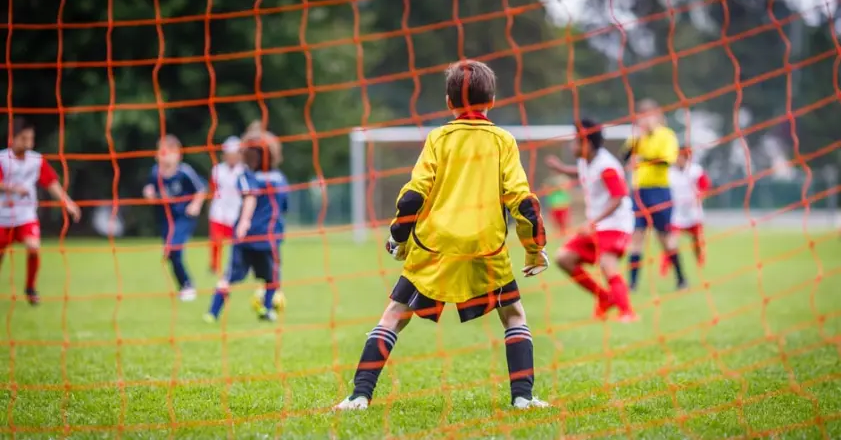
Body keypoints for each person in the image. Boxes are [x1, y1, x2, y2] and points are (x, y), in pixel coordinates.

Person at [334, 60, 550, 411]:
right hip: (485, 247)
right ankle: (523, 397)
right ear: (492, 100)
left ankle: (359, 395)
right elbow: (522, 202)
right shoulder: (503, 141)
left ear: (449, 103)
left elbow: (412, 196)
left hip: (434, 245)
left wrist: (399, 240)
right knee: (514, 316)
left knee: (393, 315)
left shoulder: (438, 138)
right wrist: (534, 249)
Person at [546, 119, 636, 322]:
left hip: (616, 225)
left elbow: (619, 195)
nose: (572, 145)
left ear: (586, 144)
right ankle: (605, 298)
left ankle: (627, 312)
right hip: (597, 225)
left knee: (607, 263)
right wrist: (561, 169)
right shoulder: (586, 161)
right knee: (563, 258)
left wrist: (593, 221)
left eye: (575, 141)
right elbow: (583, 173)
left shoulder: (607, 166)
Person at [205, 131, 288, 322]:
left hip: (246, 236)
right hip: (269, 237)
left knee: (230, 276)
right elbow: (281, 207)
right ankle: (267, 309)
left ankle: (212, 312)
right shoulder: (280, 179)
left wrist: (244, 221)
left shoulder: (246, 176)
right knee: (272, 277)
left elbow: (249, 196)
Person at [0, 118, 81, 305]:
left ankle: (30, 288)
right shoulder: (2, 159)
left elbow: (51, 182)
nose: (28, 143)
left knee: (34, 247)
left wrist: (67, 202)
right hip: (2, 217)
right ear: (13, 138)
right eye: (24, 138)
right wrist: (12, 188)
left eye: (31, 139)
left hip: (25, 216)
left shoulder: (36, 161)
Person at [622, 99, 686, 291]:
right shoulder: (637, 136)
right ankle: (632, 284)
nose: (644, 120)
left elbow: (667, 161)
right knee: (636, 236)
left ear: (657, 115)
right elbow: (624, 156)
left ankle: (681, 279)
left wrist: (643, 159)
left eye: (648, 115)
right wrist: (637, 141)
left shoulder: (667, 135)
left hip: (660, 191)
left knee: (665, 238)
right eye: (641, 116)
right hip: (639, 192)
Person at [143, 135, 207, 301]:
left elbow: (201, 189)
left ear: (178, 155)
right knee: (171, 254)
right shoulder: (155, 172)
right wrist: (149, 193)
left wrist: (195, 205)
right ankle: (184, 285)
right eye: (163, 152)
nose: (166, 156)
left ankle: (187, 285)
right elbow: (150, 189)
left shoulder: (184, 172)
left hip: (184, 217)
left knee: (174, 249)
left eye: (171, 152)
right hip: (165, 219)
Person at [660, 147, 710, 274]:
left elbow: (705, 186)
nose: (678, 159)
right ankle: (665, 268)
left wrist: (700, 198)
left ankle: (700, 260)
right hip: (677, 213)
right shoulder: (669, 173)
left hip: (694, 213)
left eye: (680, 156)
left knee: (697, 240)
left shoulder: (696, 171)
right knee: (671, 241)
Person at [208, 136, 245, 274]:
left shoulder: (243, 170)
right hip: (219, 208)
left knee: (237, 240)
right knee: (216, 239)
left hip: (236, 209)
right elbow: (213, 188)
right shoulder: (218, 170)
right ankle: (214, 266)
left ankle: (236, 265)